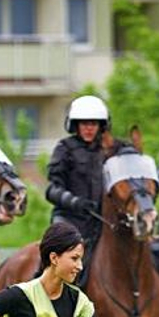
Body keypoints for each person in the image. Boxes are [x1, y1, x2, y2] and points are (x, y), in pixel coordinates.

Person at [44, 95, 123, 278]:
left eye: (93, 123)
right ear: (75, 125)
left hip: (103, 222)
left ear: (101, 126)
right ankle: (44, 292)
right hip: (70, 219)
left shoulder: (113, 149)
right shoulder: (64, 148)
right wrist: (75, 202)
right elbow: (52, 190)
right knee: (60, 252)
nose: (89, 128)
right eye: (84, 123)